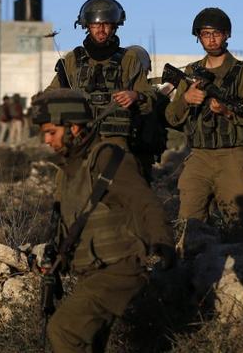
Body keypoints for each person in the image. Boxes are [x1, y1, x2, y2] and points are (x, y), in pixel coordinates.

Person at [30, 88, 174, 352]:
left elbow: (145, 201)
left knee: (64, 330)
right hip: (93, 271)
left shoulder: (106, 157)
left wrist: (162, 241)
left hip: (120, 268)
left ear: (73, 128)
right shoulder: (69, 169)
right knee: (90, 343)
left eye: (52, 132)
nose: (47, 140)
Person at [165, 7, 243, 242]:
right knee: (189, 224)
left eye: (216, 33)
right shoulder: (191, 73)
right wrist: (185, 99)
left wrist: (228, 111)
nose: (211, 39)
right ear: (198, 37)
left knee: (241, 227)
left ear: (227, 35)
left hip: (233, 155)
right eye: (205, 34)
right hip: (199, 156)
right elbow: (171, 118)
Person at [45, 0, 156, 173]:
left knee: (121, 186)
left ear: (115, 26)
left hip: (116, 140)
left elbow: (150, 98)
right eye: (96, 24)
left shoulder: (129, 59)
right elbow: (51, 95)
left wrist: (135, 96)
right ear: (87, 26)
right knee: (67, 190)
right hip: (80, 138)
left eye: (106, 24)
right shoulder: (73, 59)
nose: (101, 29)